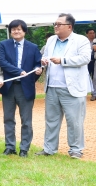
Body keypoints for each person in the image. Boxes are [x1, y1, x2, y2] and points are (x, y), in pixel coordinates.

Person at [39, 13, 92, 159]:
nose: (56, 26)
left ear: (69, 26)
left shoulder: (81, 40)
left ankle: (76, 149)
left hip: (72, 88)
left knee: (74, 121)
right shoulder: (51, 40)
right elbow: (43, 55)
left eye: (59, 24)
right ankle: (49, 149)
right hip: (52, 87)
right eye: (55, 24)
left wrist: (63, 60)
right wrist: (43, 62)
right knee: (51, 120)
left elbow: (85, 58)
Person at [0, 19, 43, 157]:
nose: (16, 31)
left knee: (26, 120)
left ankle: (24, 148)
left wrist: (37, 71)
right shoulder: (4, 45)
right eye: (13, 29)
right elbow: (2, 62)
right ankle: (10, 146)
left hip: (25, 88)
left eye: (19, 29)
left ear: (24, 31)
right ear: (10, 31)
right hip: (9, 87)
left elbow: (37, 63)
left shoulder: (33, 47)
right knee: (8, 119)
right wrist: (19, 71)